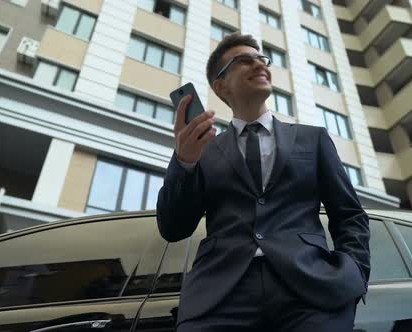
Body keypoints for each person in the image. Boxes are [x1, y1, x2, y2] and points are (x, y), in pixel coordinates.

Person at [157, 33, 370, 332]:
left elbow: (350, 215)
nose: (259, 65)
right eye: (244, 61)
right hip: (221, 295)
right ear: (220, 85)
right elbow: (173, 228)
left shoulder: (314, 139)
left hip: (311, 291)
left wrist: (355, 273)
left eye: (262, 59)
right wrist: (184, 161)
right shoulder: (202, 149)